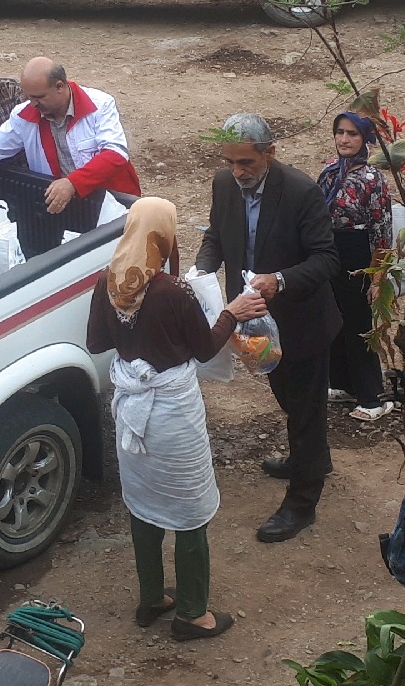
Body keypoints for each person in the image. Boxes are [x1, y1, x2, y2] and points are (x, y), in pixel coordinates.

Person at [86, 197, 269, 641]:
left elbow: (94, 343)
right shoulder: (171, 291)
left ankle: (151, 597)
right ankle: (192, 613)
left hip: (131, 411)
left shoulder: (107, 283)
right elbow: (205, 349)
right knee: (190, 510)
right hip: (171, 416)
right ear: (162, 237)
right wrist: (232, 313)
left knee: (143, 504)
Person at [194, 113, 340, 543]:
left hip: (303, 322)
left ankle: (302, 502)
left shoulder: (301, 192)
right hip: (256, 322)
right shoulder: (224, 185)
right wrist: (200, 274)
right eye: (230, 162)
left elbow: (327, 259)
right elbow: (216, 238)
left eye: (246, 163)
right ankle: (312, 459)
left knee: (306, 411)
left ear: (270, 154)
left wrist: (280, 280)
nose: (237, 172)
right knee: (286, 396)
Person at [0, 57, 140, 214]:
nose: (32, 103)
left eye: (38, 97)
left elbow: (115, 154)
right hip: (61, 205)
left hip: (114, 202)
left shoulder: (101, 104)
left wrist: (72, 183)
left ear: (59, 86)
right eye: (29, 96)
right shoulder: (24, 115)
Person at [317, 111, 394, 422]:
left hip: (359, 256)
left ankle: (372, 396)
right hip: (329, 253)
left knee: (359, 325)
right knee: (333, 319)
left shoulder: (373, 180)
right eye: (340, 132)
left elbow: (382, 231)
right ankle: (342, 383)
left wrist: (377, 276)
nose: (344, 139)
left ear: (364, 139)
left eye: (352, 134)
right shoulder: (330, 172)